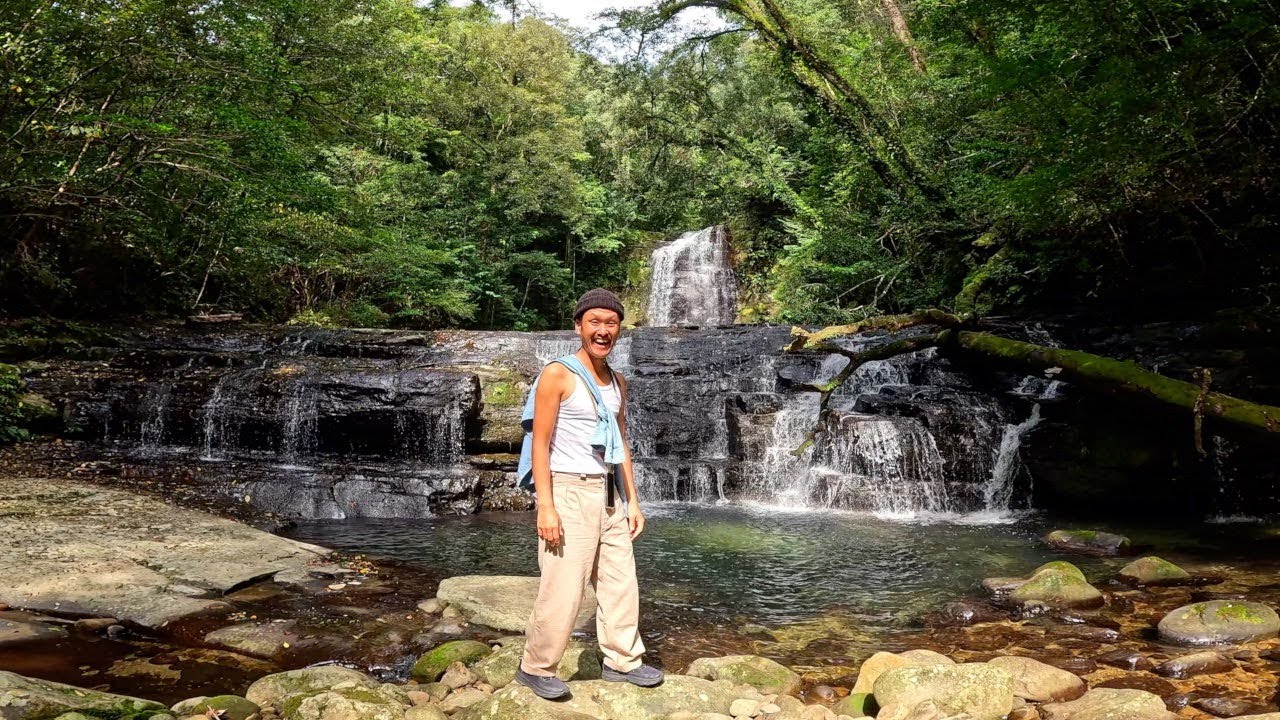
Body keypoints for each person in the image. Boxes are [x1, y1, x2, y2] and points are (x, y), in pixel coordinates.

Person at [512, 288, 663, 699]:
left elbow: (621, 443)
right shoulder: (558, 374)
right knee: (564, 586)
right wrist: (545, 506)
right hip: (567, 490)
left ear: (619, 330)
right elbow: (539, 444)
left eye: (611, 323)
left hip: (609, 493)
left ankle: (622, 660)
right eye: (594, 321)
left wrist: (634, 501)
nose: (603, 330)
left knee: (620, 582)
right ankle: (536, 666)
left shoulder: (618, 381)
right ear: (579, 326)